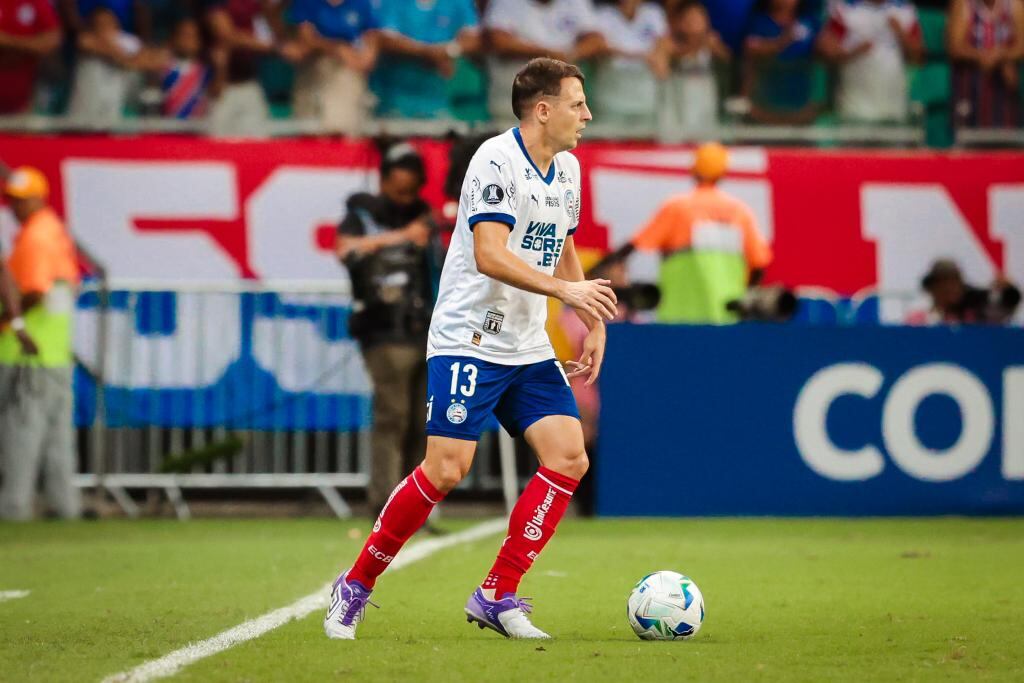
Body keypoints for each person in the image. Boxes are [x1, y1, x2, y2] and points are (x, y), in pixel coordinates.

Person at [324, 58, 617, 641]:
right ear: (543, 109)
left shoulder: (570, 170)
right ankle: (355, 584)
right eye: (577, 103)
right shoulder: (495, 160)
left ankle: (498, 593)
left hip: (527, 342)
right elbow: (490, 253)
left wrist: (587, 310)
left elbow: (562, 242)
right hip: (469, 339)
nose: (587, 114)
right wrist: (565, 290)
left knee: (568, 455)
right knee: (446, 468)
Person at [335, 143, 437, 515]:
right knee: (393, 417)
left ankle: (414, 507)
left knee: (423, 423)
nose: (404, 197)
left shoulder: (425, 217)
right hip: (383, 330)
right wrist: (402, 237)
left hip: (426, 329)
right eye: (398, 189)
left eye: (410, 190)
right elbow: (344, 249)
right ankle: (385, 503)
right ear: (383, 182)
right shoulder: (362, 214)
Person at [594, 142, 772, 324]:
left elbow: (633, 246)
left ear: (693, 170)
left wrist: (595, 271)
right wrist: (743, 298)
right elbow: (759, 264)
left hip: (679, 315)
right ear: (723, 172)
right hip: (726, 316)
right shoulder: (740, 212)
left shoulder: (677, 208)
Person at [0, 167, 81, 521]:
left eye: (20, 200)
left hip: (26, 350)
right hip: (55, 351)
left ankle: (14, 508)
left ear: (38, 197)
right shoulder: (55, 231)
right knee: (56, 437)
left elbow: (34, 290)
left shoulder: (34, 237)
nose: (15, 207)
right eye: (12, 200)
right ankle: (64, 506)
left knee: (21, 433)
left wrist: (10, 321)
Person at [483, 0, 606, 123]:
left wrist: (569, 55)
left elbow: (597, 40)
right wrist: (548, 55)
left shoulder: (576, 2)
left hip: (562, 108)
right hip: (513, 106)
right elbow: (499, 41)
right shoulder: (505, 3)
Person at [817, 0, 923, 124]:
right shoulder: (846, 9)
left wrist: (900, 33)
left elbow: (918, 58)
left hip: (894, 107)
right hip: (855, 107)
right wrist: (854, 52)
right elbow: (824, 51)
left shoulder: (904, 10)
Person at [373, 0, 482, 119]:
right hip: (394, 102)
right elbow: (386, 39)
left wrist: (449, 50)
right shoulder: (393, 2)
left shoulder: (458, 2)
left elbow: (473, 39)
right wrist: (426, 52)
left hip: (438, 103)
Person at [289, 0, 381, 135]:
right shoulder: (307, 2)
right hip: (314, 73)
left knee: (342, 129)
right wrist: (337, 49)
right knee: (310, 134)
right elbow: (305, 39)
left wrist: (368, 55)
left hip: (350, 71)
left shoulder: (361, 3)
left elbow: (372, 37)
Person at [590, 0, 671, 130]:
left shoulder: (653, 13)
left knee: (646, 142)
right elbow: (598, 47)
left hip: (645, 94)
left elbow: (662, 52)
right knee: (609, 140)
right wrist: (641, 55)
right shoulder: (603, 15)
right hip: (613, 95)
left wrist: (659, 62)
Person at [659, 0, 730, 138]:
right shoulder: (669, 42)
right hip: (677, 107)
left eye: (699, 17)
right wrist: (696, 43)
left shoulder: (711, 41)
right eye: (690, 18)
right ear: (680, 22)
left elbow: (726, 60)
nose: (695, 22)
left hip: (704, 106)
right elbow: (669, 62)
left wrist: (715, 47)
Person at [948, 0, 1024, 130]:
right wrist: (981, 56)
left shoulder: (1014, 4)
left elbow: (1021, 46)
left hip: (1004, 89)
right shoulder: (963, 3)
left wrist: (1002, 55)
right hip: (971, 88)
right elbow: (955, 47)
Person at [744, 0, 822, 125]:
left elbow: (824, 53)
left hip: (800, 111)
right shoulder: (759, 22)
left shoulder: (809, 22)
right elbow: (753, 50)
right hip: (765, 109)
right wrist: (783, 40)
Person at [906, 259, 1021, 325]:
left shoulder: (976, 315)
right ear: (932, 287)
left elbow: (1004, 311)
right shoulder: (920, 317)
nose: (951, 288)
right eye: (944, 282)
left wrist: (1009, 292)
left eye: (955, 282)